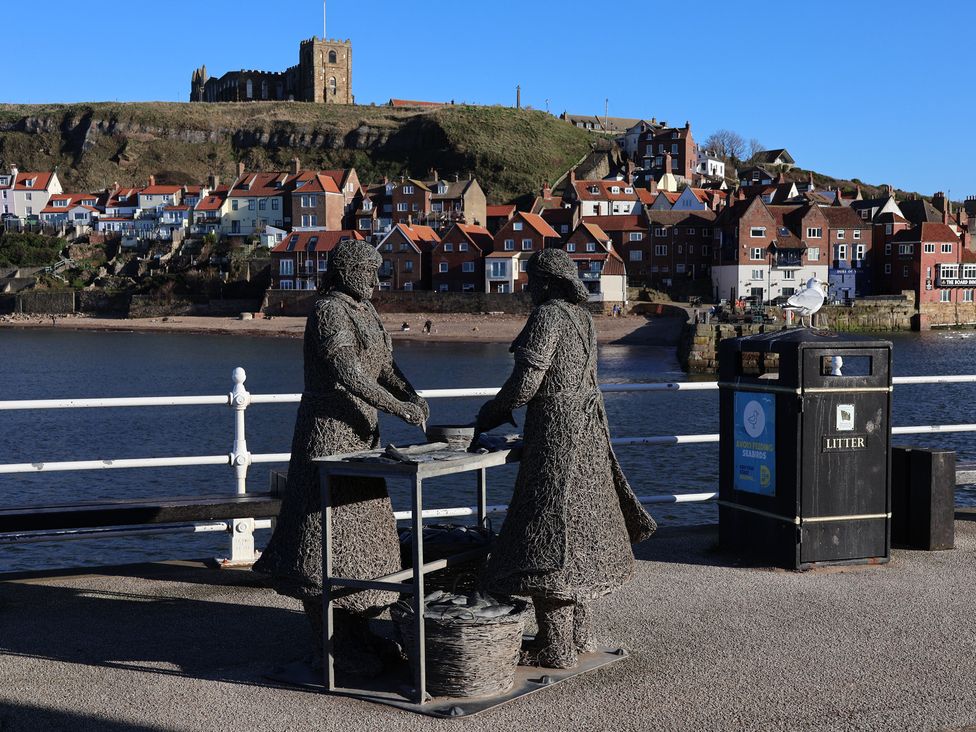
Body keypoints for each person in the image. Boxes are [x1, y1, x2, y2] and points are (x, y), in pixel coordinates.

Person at [253, 240, 429, 676]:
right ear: (347, 271)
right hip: (327, 434)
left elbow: (383, 365)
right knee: (324, 535)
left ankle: (356, 632)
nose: (375, 280)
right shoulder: (329, 310)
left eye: (377, 271)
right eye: (368, 272)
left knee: (361, 539)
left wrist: (408, 391)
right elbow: (346, 370)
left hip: (361, 434)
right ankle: (329, 643)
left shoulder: (364, 309)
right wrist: (397, 407)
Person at [475, 249, 657, 670]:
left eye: (534, 279)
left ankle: (555, 646)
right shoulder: (583, 318)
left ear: (548, 282)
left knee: (547, 529)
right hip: (589, 431)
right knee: (580, 529)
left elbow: (526, 382)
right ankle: (581, 634)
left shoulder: (549, 317)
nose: (529, 287)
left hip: (558, 435)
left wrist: (491, 413)